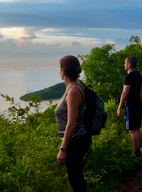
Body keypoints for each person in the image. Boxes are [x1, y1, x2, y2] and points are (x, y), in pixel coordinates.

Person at [55, 55, 92, 192]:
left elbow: (71, 123)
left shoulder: (73, 91)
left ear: (63, 71)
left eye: (60, 69)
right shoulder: (75, 85)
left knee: (76, 180)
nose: (59, 72)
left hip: (76, 141)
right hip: (77, 139)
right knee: (77, 177)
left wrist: (63, 149)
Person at [117, 57, 142, 157]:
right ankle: (141, 147)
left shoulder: (128, 77)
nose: (124, 65)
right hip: (138, 103)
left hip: (131, 105)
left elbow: (125, 93)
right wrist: (139, 100)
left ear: (129, 65)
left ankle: (136, 151)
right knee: (137, 128)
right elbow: (141, 90)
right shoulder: (139, 75)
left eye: (125, 63)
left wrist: (119, 107)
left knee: (132, 130)